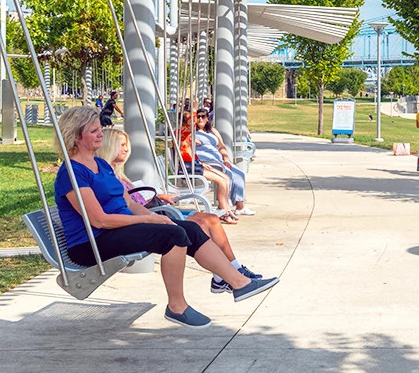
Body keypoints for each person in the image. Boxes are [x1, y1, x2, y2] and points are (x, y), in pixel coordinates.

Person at [53, 106, 278, 329]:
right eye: (94, 131)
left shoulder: (101, 164)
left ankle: (239, 283)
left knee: (190, 229)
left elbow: (130, 204)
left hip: (116, 231)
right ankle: (177, 306)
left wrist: (156, 216)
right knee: (173, 236)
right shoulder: (71, 173)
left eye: (100, 129)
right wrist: (148, 220)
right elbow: (99, 220)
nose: (101, 133)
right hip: (91, 243)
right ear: (76, 136)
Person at [99, 127, 266, 292]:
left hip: (155, 209)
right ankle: (223, 276)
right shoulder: (107, 177)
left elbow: (133, 200)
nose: (126, 149)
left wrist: (160, 196)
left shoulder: (118, 175)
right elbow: (122, 207)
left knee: (212, 219)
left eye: (126, 144)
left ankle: (232, 269)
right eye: (121, 145)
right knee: (198, 224)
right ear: (109, 146)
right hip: (153, 214)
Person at [193, 108, 254, 216]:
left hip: (219, 160)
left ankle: (240, 206)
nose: (200, 119)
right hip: (207, 162)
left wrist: (226, 158)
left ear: (208, 119)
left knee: (239, 174)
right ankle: (224, 207)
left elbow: (221, 146)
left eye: (203, 116)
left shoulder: (212, 130)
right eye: (198, 116)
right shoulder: (192, 132)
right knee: (228, 175)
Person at [178, 113, 237, 223]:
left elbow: (191, 153)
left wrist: (200, 162)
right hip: (187, 167)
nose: (197, 121)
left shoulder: (188, 135)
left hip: (195, 164)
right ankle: (225, 212)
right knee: (221, 181)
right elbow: (185, 152)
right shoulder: (182, 133)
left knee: (226, 178)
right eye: (194, 119)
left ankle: (225, 208)